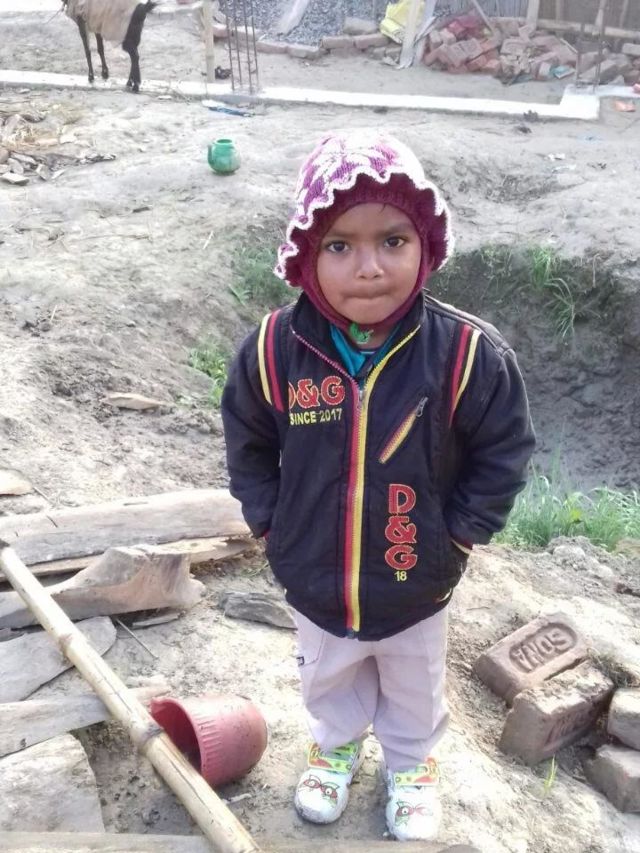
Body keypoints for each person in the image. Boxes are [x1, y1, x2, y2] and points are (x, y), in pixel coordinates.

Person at [221, 131, 535, 842]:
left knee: (414, 680)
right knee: (328, 673)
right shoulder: (273, 351)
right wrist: (271, 523)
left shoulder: (466, 354)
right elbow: (248, 442)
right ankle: (335, 748)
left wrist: (459, 535)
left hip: (417, 576)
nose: (368, 268)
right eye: (340, 245)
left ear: (427, 243)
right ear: (305, 254)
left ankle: (411, 764)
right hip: (313, 574)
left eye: (393, 241)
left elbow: (503, 451)